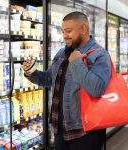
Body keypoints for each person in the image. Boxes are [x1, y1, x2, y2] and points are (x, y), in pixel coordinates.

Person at [22, 11, 111, 150]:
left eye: (68, 31)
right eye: (62, 31)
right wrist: (31, 72)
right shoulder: (62, 53)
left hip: (86, 133)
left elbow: (97, 89)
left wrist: (76, 62)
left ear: (83, 28)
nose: (64, 35)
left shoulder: (99, 54)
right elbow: (49, 79)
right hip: (59, 130)